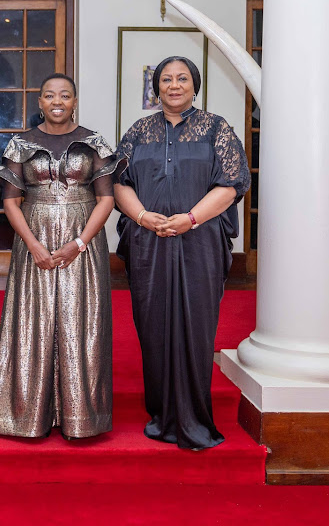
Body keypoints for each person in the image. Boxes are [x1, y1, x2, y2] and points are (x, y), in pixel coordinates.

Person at [113, 56, 251, 450]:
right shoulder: (138, 131)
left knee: (196, 324)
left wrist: (189, 219)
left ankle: (193, 415)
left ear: (195, 85)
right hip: (148, 240)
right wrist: (141, 217)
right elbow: (117, 183)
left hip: (200, 241)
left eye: (183, 79)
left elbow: (231, 185)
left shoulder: (216, 129)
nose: (174, 85)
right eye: (166, 80)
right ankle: (161, 410)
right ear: (156, 88)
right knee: (152, 324)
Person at [0, 73, 117, 439]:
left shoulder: (94, 142)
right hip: (32, 238)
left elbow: (106, 199)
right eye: (49, 95)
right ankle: (27, 413)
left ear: (74, 101)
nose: (57, 101)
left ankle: (81, 416)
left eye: (65, 95)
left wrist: (80, 242)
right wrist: (34, 245)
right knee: (33, 319)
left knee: (80, 320)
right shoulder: (21, 144)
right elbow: (9, 201)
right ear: (39, 102)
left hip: (83, 240)